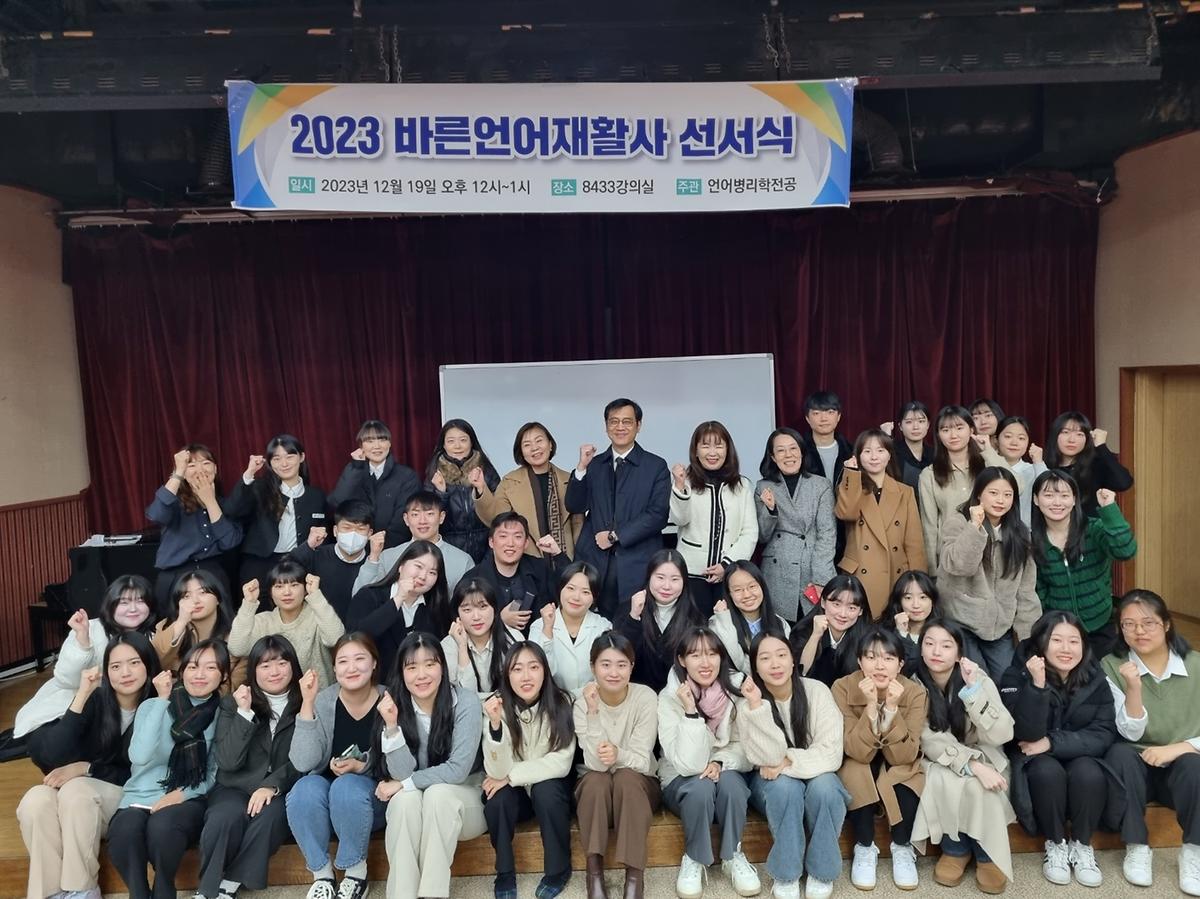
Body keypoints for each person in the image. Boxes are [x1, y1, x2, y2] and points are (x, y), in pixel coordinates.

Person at [19, 633, 159, 899]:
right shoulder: (96, 701)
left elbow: (144, 776)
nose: (125, 673)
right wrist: (82, 694)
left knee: (77, 790)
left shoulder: (158, 704)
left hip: (127, 796)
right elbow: (52, 754)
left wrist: (87, 768)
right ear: (106, 672)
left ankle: (82, 889)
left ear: (148, 665)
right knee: (35, 800)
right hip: (78, 799)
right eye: (115, 666)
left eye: (134, 663)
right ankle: (48, 893)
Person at [998, 611, 1114, 888]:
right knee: (1046, 772)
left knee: (1089, 772)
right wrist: (1037, 686)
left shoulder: (1095, 677)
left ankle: (1082, 844)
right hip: (1033, 758)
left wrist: (1052, 742)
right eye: (1057, 640)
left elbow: (1104, 732)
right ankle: (1056, 843)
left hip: (1079, 753)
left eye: (1074, 641)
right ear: (1041, 643)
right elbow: (1023, 734)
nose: (1066, 649)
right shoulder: (1016, 674)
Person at [107, 639, 229, 899]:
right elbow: (138, 756)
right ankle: (138, 893)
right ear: (181, 672)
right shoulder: (152, 706)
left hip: (187, 796)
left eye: (210, 668)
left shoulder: (222, 714)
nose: (199, 675)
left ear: (224, 676)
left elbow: (212, 774)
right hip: (139, 795)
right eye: (193, 667)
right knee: (123, 832)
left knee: (163, 828)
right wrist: (162, 700)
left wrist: (180, 795)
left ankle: (164, 887)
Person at [1100, 589, 1200, 893]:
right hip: (1135, 768)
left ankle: (1194, 853)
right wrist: (1133, 687)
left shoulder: (1196, 665)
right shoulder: (1111, 665)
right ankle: (1137, 847)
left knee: (1194, 765)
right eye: (1129, 624)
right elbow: (1129, 732)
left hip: (1180, 771)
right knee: (1119, 753)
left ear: (1166, 624)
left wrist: (1181, 747)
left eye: (1148, 623)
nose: (1139, 631)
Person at [736, 632, 848, 899]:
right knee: (786, 788)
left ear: (793, 659)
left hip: (815, 773)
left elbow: (832, 753)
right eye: (765, 658)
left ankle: (822, 871)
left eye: (781, 655)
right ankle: (786, 874)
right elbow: (765, 758)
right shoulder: (747, 705)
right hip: (770, 782)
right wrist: (757, 706)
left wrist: (789, 760)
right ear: (755, 667)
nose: (775, 664)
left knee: (827, 788)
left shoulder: (816, 691)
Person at [377, 633, 486, 899]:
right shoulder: (394, 705)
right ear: (401, 673)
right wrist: (392, 726)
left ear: (443, 667)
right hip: (419, 806)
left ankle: (432, 894)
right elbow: (401, 773)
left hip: (466, 801)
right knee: (403, 801)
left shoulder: (466, 702)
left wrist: (405, 784)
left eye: (430, 664)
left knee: (437, 794)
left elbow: (458, 770)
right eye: (412, 667)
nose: (421, 675)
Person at [910, 620, 1016, 895]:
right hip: (940, 759)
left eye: (946, 646)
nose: (936, 651)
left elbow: (1002, 733)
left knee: (983, 786)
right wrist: (972, 765)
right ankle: (955, 849)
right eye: (929, 644)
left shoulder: (977, 678)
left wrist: (973, 692)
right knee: (946, 779)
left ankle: (986, 853)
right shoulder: (914, 683)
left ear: (959, 653)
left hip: (986, 753)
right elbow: (928, 738)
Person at [658, 627, 759, 899]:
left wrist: (719, 761)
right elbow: (687, 765)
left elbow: (746, 747)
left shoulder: (737, 689)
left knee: (732, 785)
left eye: (712, 654)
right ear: (682, 660)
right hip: (681, 775)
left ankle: (732, 855)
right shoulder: (669, 697)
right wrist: (691, 713)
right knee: (700, 787)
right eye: (695, 655)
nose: (705, 663)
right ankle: (694, 857)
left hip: (726, 767)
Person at [199, 635, 302, 899]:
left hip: (281, 787)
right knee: (224, 817)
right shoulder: (233, 703)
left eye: (281, 663)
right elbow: (227, 761)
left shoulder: (306, 702)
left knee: (270, 818)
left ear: (293, 665)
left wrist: (272, 785)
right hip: (234, 785)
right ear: (253, 671)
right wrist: (244, 713)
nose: (274, 672)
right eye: (265, 665)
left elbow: (307, 759)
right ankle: (207, 890)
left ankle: (230, 883)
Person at [286, 633, 385, 899]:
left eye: (359, 659)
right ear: (334, 668)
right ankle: (322, 877)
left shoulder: (389, 699)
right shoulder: (324, 700)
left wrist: (361, 766)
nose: (351, 668)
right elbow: (303, 761)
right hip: (327, 805)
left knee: (346, 786)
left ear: (374, 663)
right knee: (304, 787)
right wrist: (307, 703)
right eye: (343, 661)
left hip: (371, 801)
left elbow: (399, 762)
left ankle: (355, 874)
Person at [832, 626, 926, 892]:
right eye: (871, 657)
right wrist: (871, 707)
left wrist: (892, 709)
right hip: (859, 757)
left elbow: (904, 755)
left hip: (898, 761)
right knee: (855, 770)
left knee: (907, 774)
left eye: (888, 658)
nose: (879, 665)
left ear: (900, 664)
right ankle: (864, 847)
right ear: (860, 661)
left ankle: (902, 846)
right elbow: (856, 749)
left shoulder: (915, 692)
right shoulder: (842, 687)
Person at [481, 641, 577, 899]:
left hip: (550, 790)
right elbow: (495, 770)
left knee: (547, 791)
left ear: (545, 670)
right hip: (517, 796)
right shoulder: (495, 707)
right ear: (507, 674)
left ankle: (558, 870)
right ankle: (504, 873)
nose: (526, 676)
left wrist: (511, 776)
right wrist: (495, 725)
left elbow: (561, 762)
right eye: (517, 669)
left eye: (533, 667)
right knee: (496, 798)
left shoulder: (563, 702)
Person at [573, 631, 660, 899]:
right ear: (593, 667)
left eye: (622, 664)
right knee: (596, 781)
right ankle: (594, 874)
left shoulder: (645, 697)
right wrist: (593, 712)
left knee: (626, 777)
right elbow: (595, 764)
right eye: (605, 664)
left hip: (638, 787)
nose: (613, 672)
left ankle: (634, 877)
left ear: (632, 667)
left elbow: (642, 759)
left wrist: (617, 755)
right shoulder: (582, 702)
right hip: (597, 792)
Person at [565, 397, 671, 620]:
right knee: (594, 626)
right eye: (614, 421)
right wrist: (581, 468)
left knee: (634, 624)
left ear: (638, 425)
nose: (620, 427)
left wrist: (615, 536)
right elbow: (575, 505)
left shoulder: (656, 466)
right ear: (606, 427)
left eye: (627, 421)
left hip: (637, 562)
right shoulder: (595, 464)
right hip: (595, 561)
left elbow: (658, 515)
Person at [15, 574, 156, 739]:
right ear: (110, 604)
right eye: (124, 602)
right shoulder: (90, 628)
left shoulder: (153, 636)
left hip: (121, 714)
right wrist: (83, 643)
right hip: (71, 707)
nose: (133, 609)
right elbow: (66, 680)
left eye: (140, 601)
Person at [937, 467, 1041, 679]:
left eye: (1007, 494)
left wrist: (1027, 636)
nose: (1000, 500)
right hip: (961, 622)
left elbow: (1026, 589)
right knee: (978, 680)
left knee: (1008, 680)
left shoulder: (1020, 533)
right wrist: (974, 527)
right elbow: (959, 566)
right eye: (993, 493)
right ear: (978, 494)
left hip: (999, 626)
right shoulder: (958, 522)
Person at [1031, 470, 1136, 658]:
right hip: (1060, 631)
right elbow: (1038, 587)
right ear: (1036, 500)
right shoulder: (1032, 541)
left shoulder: (1094, 529)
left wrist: (1110, 510)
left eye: (1064, 496)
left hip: (1101, 625)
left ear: (1074, 499)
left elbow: (1126, 551)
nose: (1057, 502)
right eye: (1049, 495)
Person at [834, 428, 928, 618]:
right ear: (857, 456)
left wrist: (918, 583)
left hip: (897, 574)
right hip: (860, 577)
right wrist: (851, 473)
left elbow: (914, 542)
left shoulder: (905, 492)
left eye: (880, 450)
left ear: (889, 455)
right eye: (867, 451)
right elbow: (847, 513)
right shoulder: (850, 485)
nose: (874, 457)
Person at [669, 421, 759, 618]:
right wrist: (680, 486)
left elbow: (750, 532)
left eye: (718, 446)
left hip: (730, 574)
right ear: (696, 450)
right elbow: (679, 519)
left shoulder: (742, 485)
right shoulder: (686, 482)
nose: (712, 452)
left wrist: (726, 565)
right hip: (692, 573)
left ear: (728, 450)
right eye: (705, 446)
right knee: (694, 630)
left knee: (727, 628)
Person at [224, 434, 328, 595]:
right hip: (259, 564)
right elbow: (232, 511)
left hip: (299, 563)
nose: (284, 464)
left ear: (301, 457)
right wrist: (249, 474)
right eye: (277, 458)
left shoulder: (316, 496)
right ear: (270, 463)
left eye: (289, 456)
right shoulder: (259, 488)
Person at [473, 421, 582, 568]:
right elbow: (495, 519)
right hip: (527, 564)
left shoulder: (569, 480)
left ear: (550, 445)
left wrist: (579, 563)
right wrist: (481, 488)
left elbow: (578, 525)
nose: (534, 448)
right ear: (521, 452)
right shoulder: (510, 482)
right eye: (527, 444)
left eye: (539, 441)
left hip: (565, 562)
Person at [754, 428, 836, 623]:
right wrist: (771, 510)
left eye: (793, 448)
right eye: (781, 450)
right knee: (779, 630)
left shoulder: (821, 485)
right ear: (773, 457)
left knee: (814, 628)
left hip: (812, 567)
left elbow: (827, 533)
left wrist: (821, 577)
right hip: (777, 571)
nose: (788, 455)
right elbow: (762, 536)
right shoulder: (763, 486)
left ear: (802, 452)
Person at [146, 444, 242, 605]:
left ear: (215, 469)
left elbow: (229, 542)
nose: (200, 470)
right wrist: (178, 473)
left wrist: (210, 501)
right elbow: (157, 514)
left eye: (206, 463)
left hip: (212, 575)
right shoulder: (174, 502)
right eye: (191, 465)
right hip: (175, 575)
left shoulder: (227, 504)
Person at [918, 405, 1008, 568]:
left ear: (971, 430)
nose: (953, 435)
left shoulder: (987, 465)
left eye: (959, 428)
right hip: (950, 556)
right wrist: (932, 570)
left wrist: (988, 451)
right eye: (945, 430)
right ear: (938, 435)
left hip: (988, 553)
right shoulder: (929, 475)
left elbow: (1017, 486)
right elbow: (929, 526)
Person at [227, 563, 343, 688]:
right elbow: (237, 648)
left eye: (294, 585)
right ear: (270, 592)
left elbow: (335, 639)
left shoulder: (319, 615)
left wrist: (315, 595)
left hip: (318, 694)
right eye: (279, 586)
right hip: (273, 697)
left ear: (305, 589)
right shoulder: (263, 621)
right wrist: (249, 604)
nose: (287, 592)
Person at [353, 490, 473, 597]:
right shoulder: (388, 556)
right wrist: (373, 557)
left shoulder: (462, 560)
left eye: (430, 514)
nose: (422, 521)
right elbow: (360, 597)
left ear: (441, 517)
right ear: (406, 519)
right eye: (415, 514)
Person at [616, 549, 704, 692]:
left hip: (678, 696)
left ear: (684, 582)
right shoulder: (628, 610)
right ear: (649, 577)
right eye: (660, 577)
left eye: (675, 579)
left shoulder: (695, 618)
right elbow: (618, 655)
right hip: (634, 695)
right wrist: (633, 617)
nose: (666, 586)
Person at [347, 540, 451, 661]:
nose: (423, 576)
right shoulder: (369, 595)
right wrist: (398, 599)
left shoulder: (436, 608)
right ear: (401, 566)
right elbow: (355, 639)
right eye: (418, 566)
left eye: (432, 572)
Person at [327, 419, 421, 548]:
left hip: (393, 548)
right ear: (361, 446)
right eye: (370, 441)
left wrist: (382, 548)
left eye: (382, 440)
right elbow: (338, 502)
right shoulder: (354, 472)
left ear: (389, 443)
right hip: (356, 549)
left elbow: (403, 521)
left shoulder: (407, 476)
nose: (377, 446)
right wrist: (356, 466)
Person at [463, 511, 556, 635]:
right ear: (491, 542)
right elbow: (462, 623)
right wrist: (500, 620)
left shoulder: (540, 569)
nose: (510, 543)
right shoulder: (472, 579)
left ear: (526, 543)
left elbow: (566, 593)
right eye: (503, 536)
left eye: (517, 537)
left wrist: (557, 554)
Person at [532, 561, 614, 697]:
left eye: (585, 592)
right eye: (570, 588)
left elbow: (607, 673)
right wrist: (547, 630)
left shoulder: (603, 627)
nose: (576, 597)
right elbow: (539, 674)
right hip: (552, 701)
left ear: (594, 598)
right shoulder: (539, 626)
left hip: (593, 699)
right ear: (560, 589)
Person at [425, 418, 501, 562]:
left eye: (463, 440)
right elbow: (431, 520)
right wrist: (441, 493)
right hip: (450, 551)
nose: (457, 446)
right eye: (451, 441)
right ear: (443, 445)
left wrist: (481, 489)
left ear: (471, 442)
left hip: (487, 548)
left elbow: (500, 511)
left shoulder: (486, 470)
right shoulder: (435, 474)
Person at [289, 499, 374, 623]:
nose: (353, 534)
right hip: (319, 626)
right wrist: (308, 546)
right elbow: (285, 571)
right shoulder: (318, 555)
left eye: (360, 529)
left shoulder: (374, 562)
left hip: (359, 629)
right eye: (347, 528)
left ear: (370, 533)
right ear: (335, 531)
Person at [439, 577, 520, 696]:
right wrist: (462, 647)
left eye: (483, 607)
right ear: (457, 615)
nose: (476, 617)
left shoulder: (513, 639)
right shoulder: (448, 646)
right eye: (467, 610)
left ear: (494, 609)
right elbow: (466, 696)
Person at [1044, 411, 1133, 518]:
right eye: (1066, 432)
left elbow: (1124, 483)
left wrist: (1101, 446)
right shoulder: (1044, 466)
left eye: (1079, 434)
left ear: (1087, 439)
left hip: (1092, 527)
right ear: (1055, 435)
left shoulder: (1097, 464)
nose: (1072, 440)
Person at [799, 391, 854, 562]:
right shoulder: (798, 453)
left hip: (847, 531)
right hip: (809, 533)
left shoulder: (852, 452)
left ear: (838, 416)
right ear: (807, 418)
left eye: (830, 412)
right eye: (816, 413)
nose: (823, 418)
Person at [709, 560, 790, 677]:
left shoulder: (780, 623)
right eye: (738, 590)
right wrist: (724, 620)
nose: (747, 595)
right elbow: (738, 665)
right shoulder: (718, 624)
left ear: (762, 586)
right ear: (729, 594)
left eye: (752, 586)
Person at [790, 575, 872, 688]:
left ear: (860, 611)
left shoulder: (868, 638)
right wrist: (815, 636)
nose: (843, 614)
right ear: (823, 603)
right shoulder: (803, 631)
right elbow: (800, 674)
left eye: (851, 608)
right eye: (836, 604)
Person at [150, 569, 235, 676]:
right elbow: (153, 662)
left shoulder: (236, 633)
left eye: (203, 592)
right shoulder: (165, 627)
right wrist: (181, 622)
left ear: (218, 598)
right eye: (186, 596)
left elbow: (237, 677)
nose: (195, 600)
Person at [882, 571, 940, 672]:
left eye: (923, 597)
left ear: (932, 601)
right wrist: (901, 634)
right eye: (908, 598)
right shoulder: (883, 633)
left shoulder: (943, 633)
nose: (916, 605)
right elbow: (898, 671)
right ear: (899, 602)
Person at [994, 416, 1046, 527]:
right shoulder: (987, 466)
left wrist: (1038, 462)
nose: (1014, 442)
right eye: (1008, 436)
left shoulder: (1033, 470)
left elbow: (1049, 490)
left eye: (1021, 438)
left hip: (1023, 532)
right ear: (996, 440)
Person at [883, 401, 935, 491]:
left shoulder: (935, 453)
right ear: (900, 426)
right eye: (909, 422)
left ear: (928, 425)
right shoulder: (892, 453)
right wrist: (885, 437)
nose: (916, 427)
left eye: (921, 421)